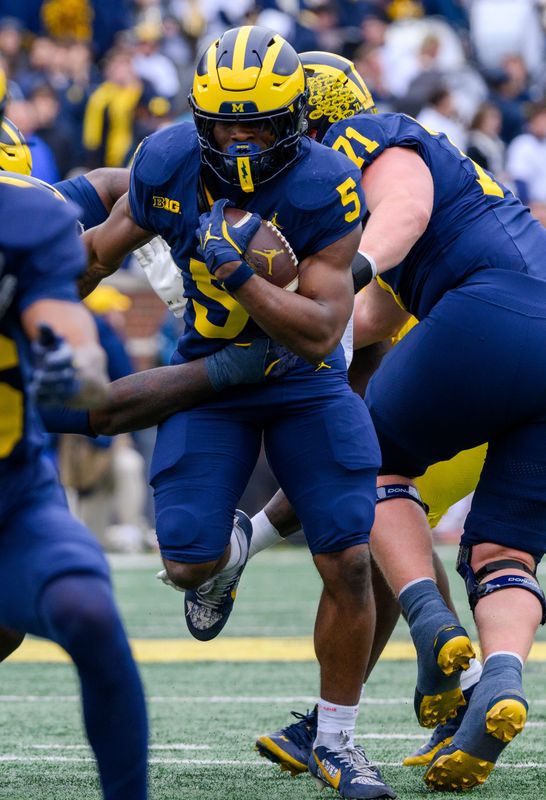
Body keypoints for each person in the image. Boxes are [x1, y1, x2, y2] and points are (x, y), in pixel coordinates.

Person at [78, 25, 396, 800]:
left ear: (291, 119)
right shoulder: (166, 162)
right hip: (210, 381)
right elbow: (92, 254)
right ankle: (219, 566)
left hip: (304, 377)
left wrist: (240, 274)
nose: (241, 137)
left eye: (257, 120)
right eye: (226, 120)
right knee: (186, 559)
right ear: (200, 118)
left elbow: (324, 327)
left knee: (350, 556)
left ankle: (338, 740)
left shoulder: (326, 183)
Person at [299, 50, 546, 793]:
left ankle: (432, 626)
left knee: (364, 460)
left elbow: (399, 217)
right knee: (503, 549)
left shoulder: (369, 135)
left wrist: (337, 282)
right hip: (526, 320)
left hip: (493, 308)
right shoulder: (445, 180)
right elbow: (376, 314)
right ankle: (500, 681)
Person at [0, 163, 148, 800]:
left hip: (9, 499)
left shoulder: (23, 218)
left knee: (85, 607)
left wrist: (68, 354)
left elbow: (60, 315)